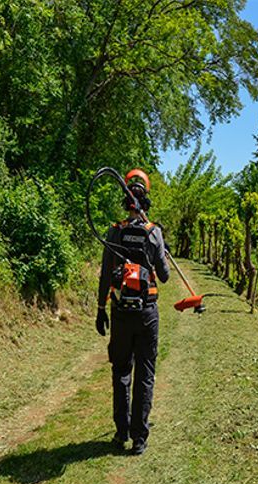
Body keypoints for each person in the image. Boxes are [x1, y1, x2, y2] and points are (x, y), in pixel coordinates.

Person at [95, 169, 169, 455]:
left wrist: (101, 308)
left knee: (121, 371)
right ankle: (139, 438)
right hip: (147, 313)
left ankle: (121, 432)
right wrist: (161, 250)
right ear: (145, 197)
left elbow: (105, 275)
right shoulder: (154, 233)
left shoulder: (115, 231)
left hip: (120, 313)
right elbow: (163, 277)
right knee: (145, 373)